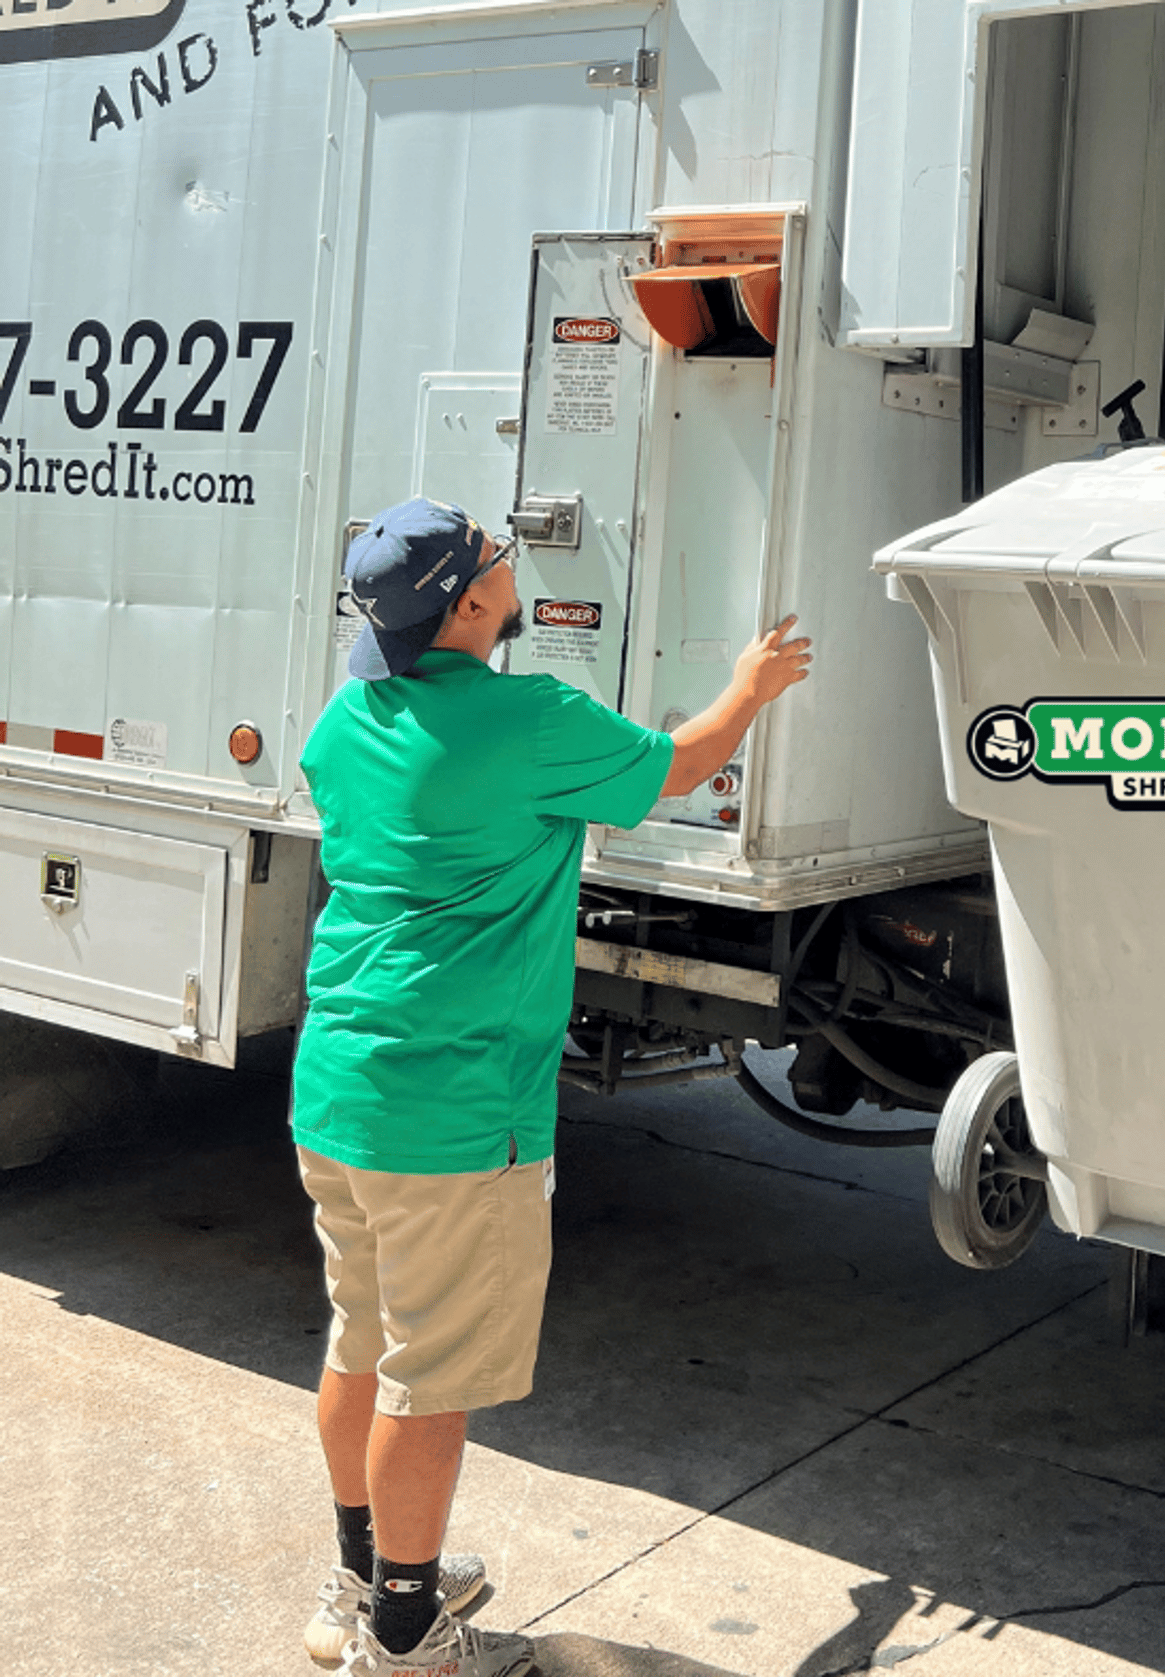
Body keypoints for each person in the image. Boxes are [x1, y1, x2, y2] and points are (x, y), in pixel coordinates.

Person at [292, 497, 811, 1676]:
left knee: (361, 1346)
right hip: (455, 1110)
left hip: (342, 1089)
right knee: (427, 1386)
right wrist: (750, 685)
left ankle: (361, 1587)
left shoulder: (348, 714)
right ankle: (411, 1640)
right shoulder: (525, 719)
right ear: (470, 604)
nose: (510, 560)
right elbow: (677, 767)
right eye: (494, 555)